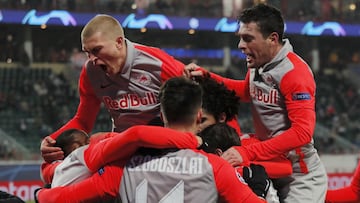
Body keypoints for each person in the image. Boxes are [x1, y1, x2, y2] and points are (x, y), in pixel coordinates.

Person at [35, 76, 270, 203]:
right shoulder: (215, 167)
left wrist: (40, 194)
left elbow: (64, 198)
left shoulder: (122, 167)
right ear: (199, 115)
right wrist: (259, 189)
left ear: (162, 114)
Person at [184, 3, 327, 203]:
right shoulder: (258, 63)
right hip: (271, 164)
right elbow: (245, 91)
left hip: (299, 175)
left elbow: (303, 133)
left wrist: (247, 152)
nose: (241, 45)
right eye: (241, 38)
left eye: (248, 38)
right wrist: (208, 77)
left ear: (272, 39)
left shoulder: (294, 73)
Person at [41, 14, 189, 163]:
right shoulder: (90, 72)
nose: (92, 59)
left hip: (163, 152)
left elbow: (204, 86)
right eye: (87, 53)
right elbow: (83, 122)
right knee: (49, 174)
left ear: (119, 42)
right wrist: (52, 141)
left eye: (96, 50)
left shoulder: (155, 62)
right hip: (122, 151)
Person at [41, 126, 201, 188]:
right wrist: (194, 140)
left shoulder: (61, 170)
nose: (92, 141)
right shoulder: (83, 154)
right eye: (88, 140)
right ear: (77, 146)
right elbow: (135, 135)